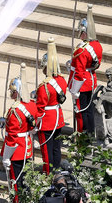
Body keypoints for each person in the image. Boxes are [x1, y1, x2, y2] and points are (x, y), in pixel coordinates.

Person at [0, 66, 37, 203]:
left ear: (17, 92)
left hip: (16, 151)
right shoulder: (31, 105)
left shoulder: (14, 111)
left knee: (15, 182)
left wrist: (6, 157)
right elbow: (34, 125)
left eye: (12, 91)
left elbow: (12, 137)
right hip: (27, 147)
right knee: (26, 180)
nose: (11, 93)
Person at [35, 38, 67, 174]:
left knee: (47, 152)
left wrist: (35, 124)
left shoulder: (44, 86)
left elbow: (40, 108)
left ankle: (48, 174)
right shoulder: (62, 80)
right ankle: (57, 171)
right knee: (56, 148)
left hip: (47, 121)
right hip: (58, 118)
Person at [69, 4, 102, 134]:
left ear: (84, 32)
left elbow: (79, 71)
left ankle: (82, 138)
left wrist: (74, 90)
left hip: (81, 84)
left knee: (81, 112)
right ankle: (91, 133)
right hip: (91, 80)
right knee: (89, 110)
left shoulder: (81, 50)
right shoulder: (97, 45)